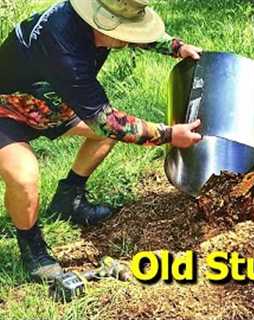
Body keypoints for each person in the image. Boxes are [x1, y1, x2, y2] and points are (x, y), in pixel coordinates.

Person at [0, 0, 203, 283]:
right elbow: (106, 122)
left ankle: (68, 199)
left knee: (105, 138)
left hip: (53, 105)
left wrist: (175, 47)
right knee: (24, 177)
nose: (130, 38)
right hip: (7, 111)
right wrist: (168, 135)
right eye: (127, 32)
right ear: (102, 22)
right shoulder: (62, 45)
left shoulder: (96, 19)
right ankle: (32, 246)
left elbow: (129, 31)